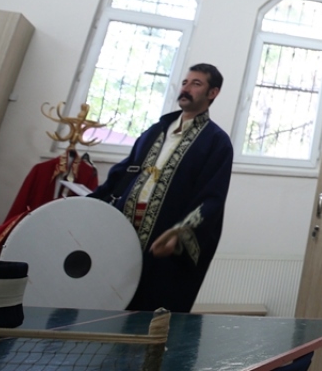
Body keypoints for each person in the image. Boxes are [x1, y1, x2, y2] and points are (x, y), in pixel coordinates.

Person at [91, 63, 233, 313]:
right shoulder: (154, 131)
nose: (186, 88)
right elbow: (121, 176)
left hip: (165, 243)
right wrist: (87, 204)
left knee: (151, 315)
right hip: (123, 233)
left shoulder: (216, 142)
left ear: (213, 93)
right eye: (185, 83)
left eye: (196, 84)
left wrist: (180, 233)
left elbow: (212, 198)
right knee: (108, 304)